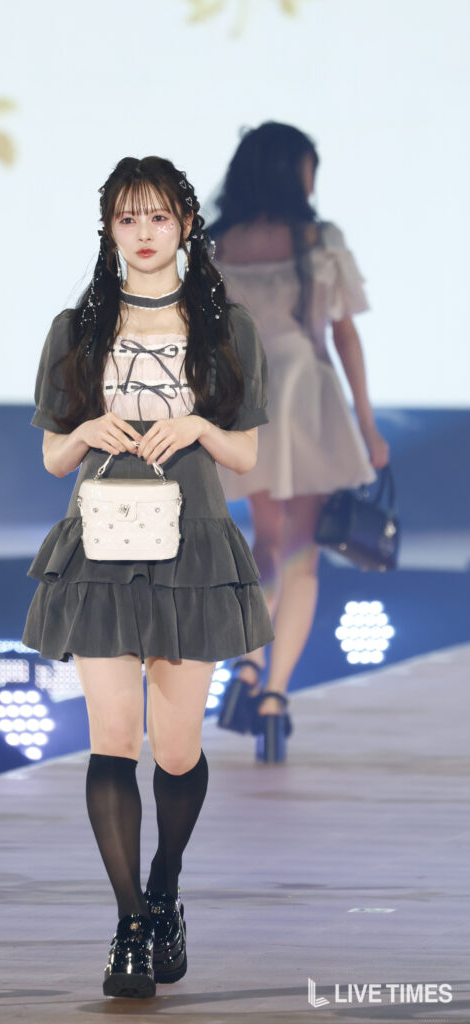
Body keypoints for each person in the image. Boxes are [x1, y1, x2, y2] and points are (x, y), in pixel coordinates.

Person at [22, 156, 274, 998]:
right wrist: (89, 429)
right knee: (110, 742)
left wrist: (195, 421)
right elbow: (55, 455)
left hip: (190, 548)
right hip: (97, 550)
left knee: (176, 749)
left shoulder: (226, 330)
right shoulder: (76, 331)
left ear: (185, 227)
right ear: (108, 231)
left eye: (157, 218)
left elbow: (243, 453)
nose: (142, 233)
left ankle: (164, 885)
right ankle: (130, 924)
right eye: (127, 219)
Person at [209, 122, 390, 755]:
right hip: (306, 394)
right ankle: (274, 699)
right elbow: (342, 336)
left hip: (247, 398)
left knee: (269, 544)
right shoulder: (317, 240)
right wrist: (366, 425)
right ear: (294, 172)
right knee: (303, 555)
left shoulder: (216, 244)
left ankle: (250, 664)